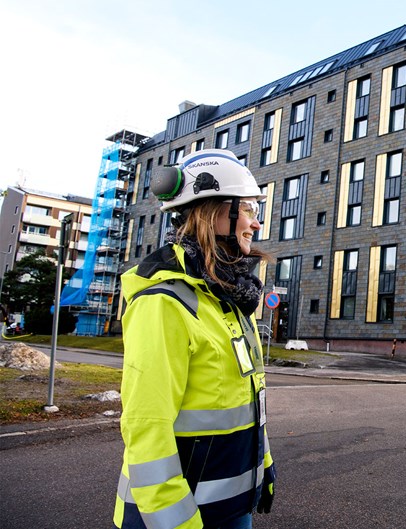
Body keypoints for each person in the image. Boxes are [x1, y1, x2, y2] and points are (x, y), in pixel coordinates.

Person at [113, 149, 276, 529]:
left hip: (231, 508)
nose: (255, 222)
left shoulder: (234, 298)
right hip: (175, 517)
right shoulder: (165, 302)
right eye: (249, 209)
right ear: (213, 211)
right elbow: (147, 426)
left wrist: (262, 469)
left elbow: (248, 399)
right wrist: (176, 522)